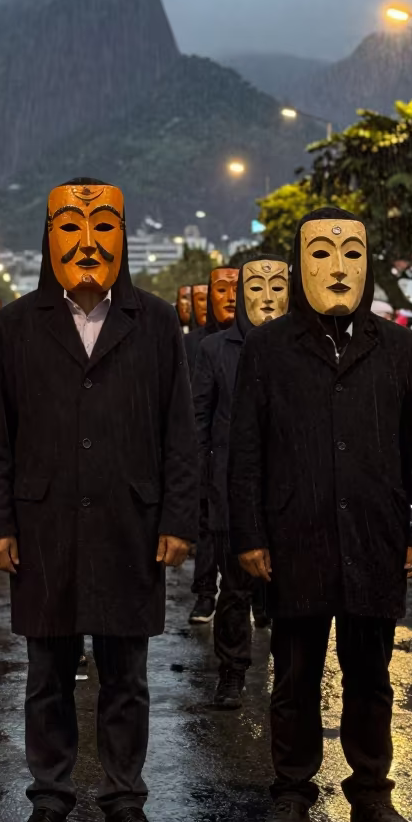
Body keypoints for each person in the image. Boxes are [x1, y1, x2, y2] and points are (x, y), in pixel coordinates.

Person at [0, 178, 197, 822]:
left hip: (130, 526)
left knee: (126, 677)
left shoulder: (157, 322)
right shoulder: (16, 323)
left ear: (124, 237)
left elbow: (180, 432)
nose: (88, 241)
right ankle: (49, 801)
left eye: (104, 225)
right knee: (46, 676)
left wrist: (178, 519)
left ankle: (125, 801)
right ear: (47, 239)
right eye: (70, 226)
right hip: (42, 529)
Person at [229, 207, 412, 822]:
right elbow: (245, 451)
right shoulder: (269, 349)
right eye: (322, 253)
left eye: (352, 252)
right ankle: (292, 792)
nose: (339, 266)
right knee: (294, 677)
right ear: (299, 268)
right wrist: (248, 534)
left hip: (374, 542)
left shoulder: (398, 346)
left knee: (371, 678)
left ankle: (372, 795)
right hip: (294, 542)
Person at [192, 257, 289, 703]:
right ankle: (231, 671)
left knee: (289, 591)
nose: (266, 297)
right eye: (256, 287)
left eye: (277, 287)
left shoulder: (305, 347)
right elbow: (199, 423)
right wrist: (198, 489)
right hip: (232, 488)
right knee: (233, 590)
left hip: (291, 490)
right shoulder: (214, 350)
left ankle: (291, 678)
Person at [184, 265, 240, 619]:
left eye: (237, 288)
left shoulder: (260, 342)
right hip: (208, 453)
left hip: (243, 454)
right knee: (207, 529)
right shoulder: (192, 344)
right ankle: (205, 592)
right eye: (220, 290)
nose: (231, 297)